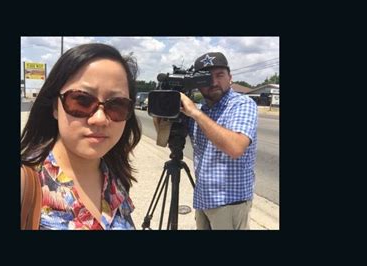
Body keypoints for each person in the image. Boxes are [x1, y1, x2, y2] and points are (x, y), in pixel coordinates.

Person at [21, 43, 141, 230]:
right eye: (82, 101)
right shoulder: (26, 182)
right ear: (55, 106)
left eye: (117, 105)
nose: (100, 119)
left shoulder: (116, 177)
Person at [156, 52, 258, 229]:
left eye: (220, 75)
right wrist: (165, 102)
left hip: (230, 202)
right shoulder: (202, 109)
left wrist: (195, 113)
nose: (213, 82)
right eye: (206, 78)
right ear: (196, 84)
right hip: (203, 199)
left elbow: (236, 147)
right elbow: (165, 137)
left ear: (230, 77)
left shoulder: (242, 104)